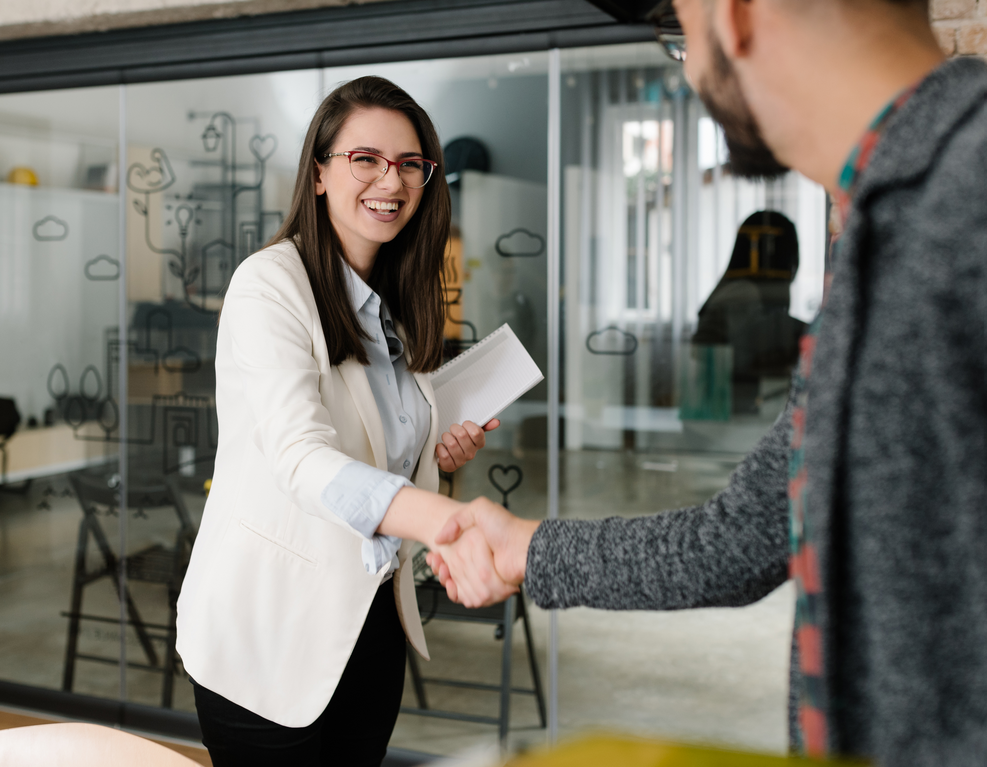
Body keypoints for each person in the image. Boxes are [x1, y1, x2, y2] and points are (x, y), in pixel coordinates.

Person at [428, 0, 987, 764]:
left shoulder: (963, 200)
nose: (689, 67)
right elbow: (739, 540)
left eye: (681, 33)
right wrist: (524, 546)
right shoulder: (877, 234)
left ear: (736, 14)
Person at [176, 76, 509, 767]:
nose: (390, 179)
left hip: (368, 621)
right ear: (319, 173)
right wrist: (445, 523)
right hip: (266, 634)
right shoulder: (270, 284)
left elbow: (376, 450)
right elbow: (301, 456)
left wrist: (436, 453)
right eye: (365, 158)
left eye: (409, 164)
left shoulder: (395, 304)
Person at [692, 209, 806, 413]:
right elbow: (745, 352)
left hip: (732, 409)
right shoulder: (743, 292)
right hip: (724, 413)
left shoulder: (743, 289)